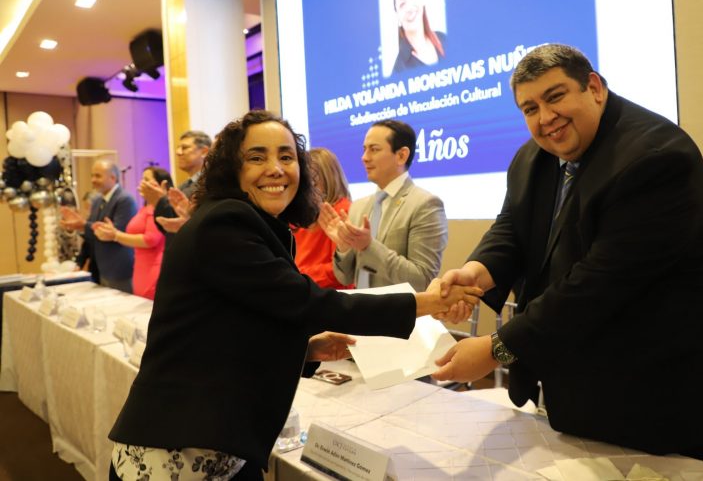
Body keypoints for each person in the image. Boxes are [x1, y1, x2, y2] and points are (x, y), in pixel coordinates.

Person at [432, 44, 703, 467]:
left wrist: (499, 348)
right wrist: (477, 271)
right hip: (589, 385)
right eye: (530, 108)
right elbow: (512, 227)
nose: (545, 118)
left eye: (555, 97)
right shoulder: (533, 156)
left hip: (672, 388)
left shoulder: (655, 157)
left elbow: (599, 284)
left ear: (594, 87)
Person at [108, 110, 481, 480]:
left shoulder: (249, 222)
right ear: (232, 167)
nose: (275, 169)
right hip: (178, 448)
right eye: (257, 157)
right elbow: (307, 301)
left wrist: (306, 351)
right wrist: (430, 302)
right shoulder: (225, 222)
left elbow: (234, 330)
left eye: (286, 157)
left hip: (215, 445)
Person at [320, 119, 447, 291]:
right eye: (364, 149)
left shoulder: (425, 205)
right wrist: (344, 247)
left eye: (374, 149)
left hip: (399, 308)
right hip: (359, 306)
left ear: (401, 155)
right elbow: (344, 278)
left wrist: (368, 247)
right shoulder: (358, 207)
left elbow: (422, 280)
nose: (364, 158)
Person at [93, 166, 173, 300]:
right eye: (142, 179)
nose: (142, 183)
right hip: (140, 267)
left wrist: (115, 235)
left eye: (147, 180)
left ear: (161, 185)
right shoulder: (145, 208)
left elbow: (150, 240)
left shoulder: (157, 209)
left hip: (153, 267)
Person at [59, 159, 137, 293]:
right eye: (92, 176)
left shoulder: (125, 200)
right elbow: (91, 232)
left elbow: (116, 233)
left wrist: (83, 225)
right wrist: (79, 227)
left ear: (113, 177)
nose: (93, 180)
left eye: (98, 176)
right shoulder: (97, 200)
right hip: (101, 269)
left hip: (120, 269)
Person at [293, 147, 354, 289]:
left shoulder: (343, 212)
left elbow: (341, 270)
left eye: (312, 183)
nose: (304, 189)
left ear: (328, 180)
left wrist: (297, 275)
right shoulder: (300, 214)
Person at [146, 130, 212, 241]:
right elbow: (168, 227)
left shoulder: (209, 184)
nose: (178, 152)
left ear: (204, 151)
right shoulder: (183, 186)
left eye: (185, 148)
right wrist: (160, 202)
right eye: (178, 148)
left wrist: (161, 201)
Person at [391, 0, 446, 76]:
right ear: (397, 16)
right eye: (402, 4)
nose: (409, 7)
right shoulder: (398, 70)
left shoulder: (443, 39)